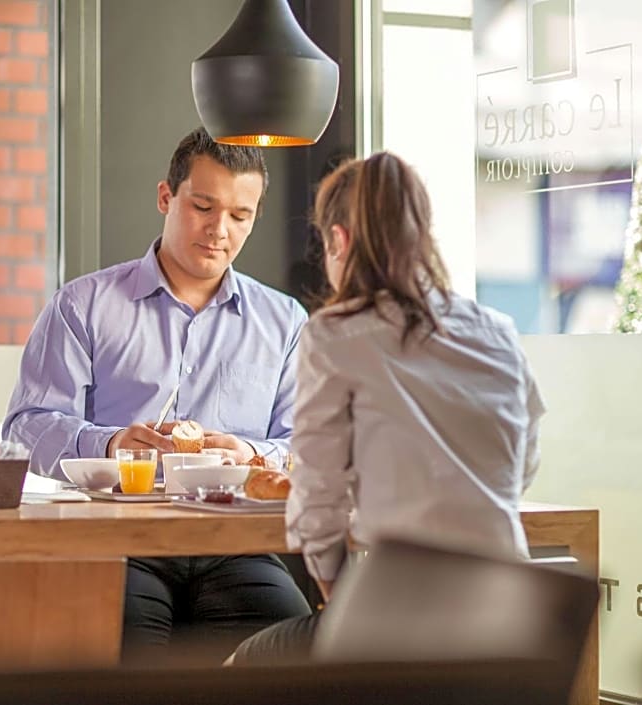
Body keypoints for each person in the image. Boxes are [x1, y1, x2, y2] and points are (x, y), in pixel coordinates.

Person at [2, 127, 312, 664]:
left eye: (240, 215)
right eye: (203, 206)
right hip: (116, 544)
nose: (220, 230)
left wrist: (252, 455)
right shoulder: (84, 305)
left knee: (298, 661)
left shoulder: (285, 322)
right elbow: (26, 426)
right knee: (123, 668)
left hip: (235, 546)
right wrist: (110, 444)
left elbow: (309, 444)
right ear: (167, 197)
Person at [230, 151, 546, 664]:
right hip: (512, 616)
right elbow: (523, 463)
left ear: (339, 240)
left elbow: (317, 504)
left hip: (406, 624)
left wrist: (339, 600)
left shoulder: (335, 334)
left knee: (238, 667)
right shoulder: (497, 331)